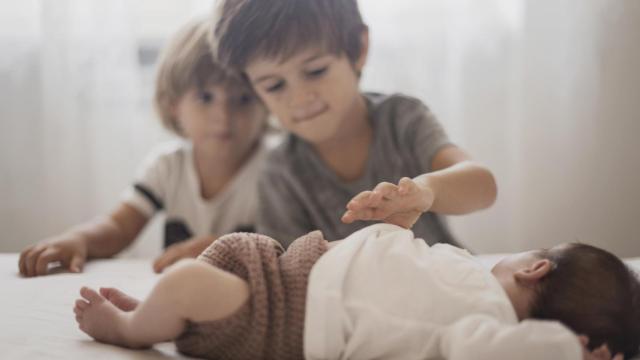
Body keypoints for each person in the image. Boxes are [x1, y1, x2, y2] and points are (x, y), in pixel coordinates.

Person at [73, 221, 638, 360]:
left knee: (189, 283)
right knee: (201, 273)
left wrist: (564, 350)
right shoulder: (469, 273)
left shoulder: (486, 328)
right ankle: (155, 313)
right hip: (289, 266)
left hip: (289, 319)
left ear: (535, 269)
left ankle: (126, 328)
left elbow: (490, 349)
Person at [209, 0, 498, 247]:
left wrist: (426, 192)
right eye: (274, 86)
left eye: (315, 71)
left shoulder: (400, 119)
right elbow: (288, 268)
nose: (298, 98)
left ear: (359, 48)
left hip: (448, 281)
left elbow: (482, 186)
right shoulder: (281, 171)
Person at [18, 18, 269, 277]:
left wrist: (222, 250)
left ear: (267, 101)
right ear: (174, 105)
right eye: (205, 97)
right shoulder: (168, 166)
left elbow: (288, 250)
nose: (223, 115)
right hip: (177, 300)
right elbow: (119, 228)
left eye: (243, 98)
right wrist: (78, 240)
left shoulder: (275, 170)